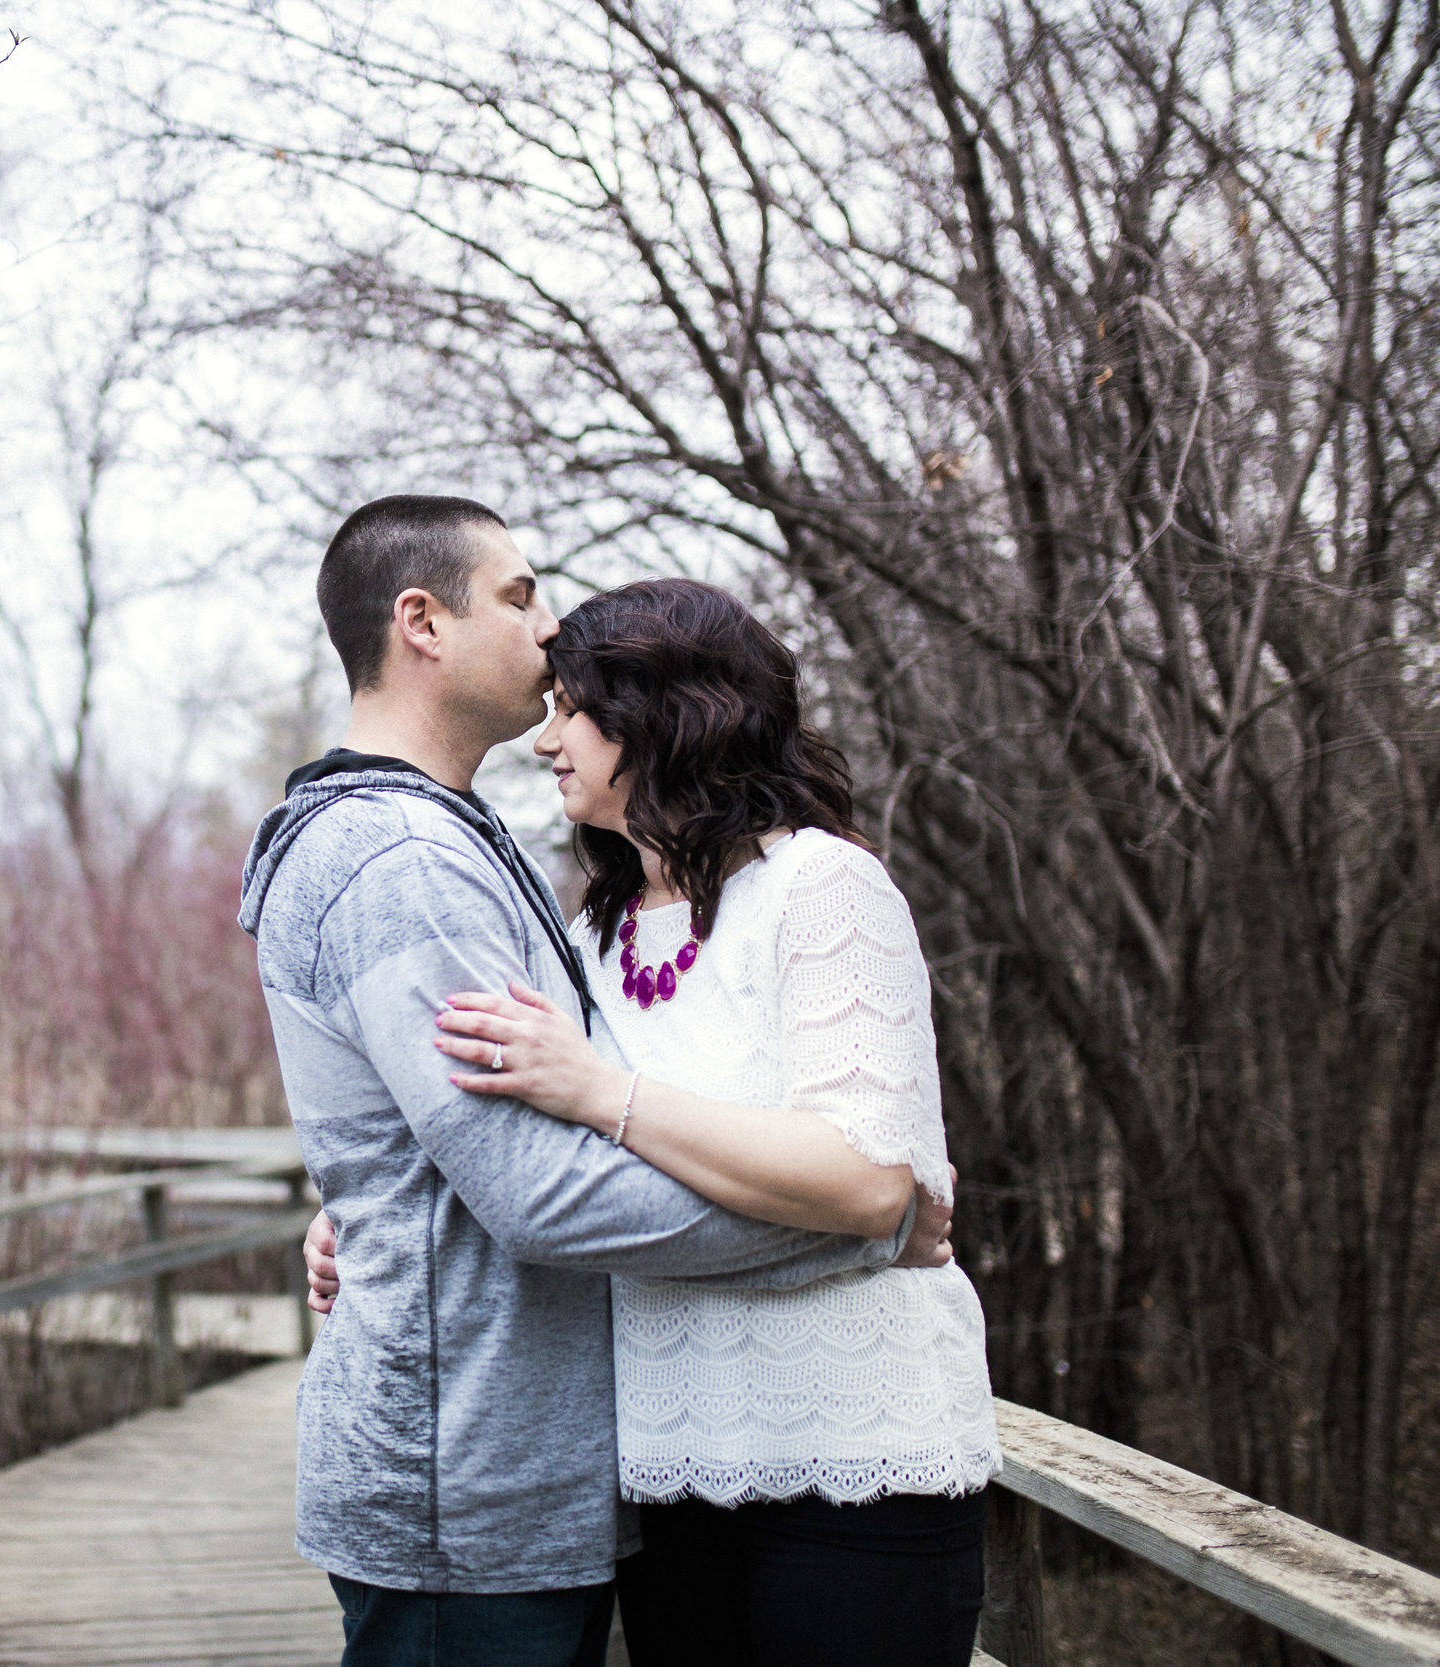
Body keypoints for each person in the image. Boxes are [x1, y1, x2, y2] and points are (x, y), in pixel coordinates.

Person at [240, 496, 954, 1667]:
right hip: (494, 1481)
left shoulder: (485, 854)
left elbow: (499, 1131)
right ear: (422, 622)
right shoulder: (411, 858)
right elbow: (538, 1188)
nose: (545, 627)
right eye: (519, 596)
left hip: (678, 1465)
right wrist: (857, 1220)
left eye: (580, 701)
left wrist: (386, 1198)